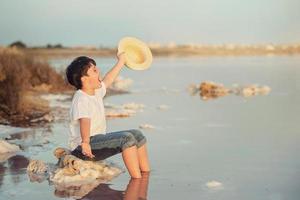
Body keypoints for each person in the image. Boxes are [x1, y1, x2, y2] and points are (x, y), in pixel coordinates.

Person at [65, 53, 150, 178]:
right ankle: (137, 180)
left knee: (137, 135)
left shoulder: (95, 92)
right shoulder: (81, 98)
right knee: (126, 138)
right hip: (83, 149)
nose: (98, 71)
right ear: (84, 79)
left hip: (95, 141)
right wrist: (85, 143)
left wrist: (121, 61)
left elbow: (109, 79)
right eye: (94, 70)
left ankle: (146, 174)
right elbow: (85, 120)